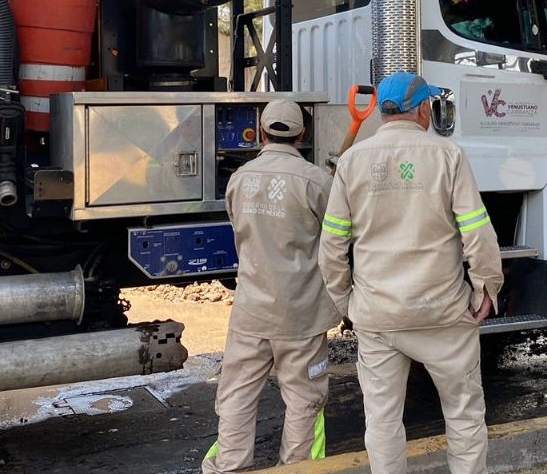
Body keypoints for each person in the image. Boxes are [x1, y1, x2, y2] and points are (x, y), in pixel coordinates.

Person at [320, 71, 503, 474]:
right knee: (464, 416)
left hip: (378, 315)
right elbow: (477, 233)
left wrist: (347, 303)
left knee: (382, 421)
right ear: (423, 108)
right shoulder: (448, 155)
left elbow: (331, 246)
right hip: (443, 313)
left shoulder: (352, 161)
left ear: (384, 113)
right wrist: (486, 289)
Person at [203, 100, 340, 474]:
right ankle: (295, 469)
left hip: (251, 310)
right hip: (301, 313)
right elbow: (339, 234)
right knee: (304, 400)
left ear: (262, 133)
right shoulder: (317, 181)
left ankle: (230, 467)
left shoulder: (239, 179)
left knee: (236, 396)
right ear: (302, 134)